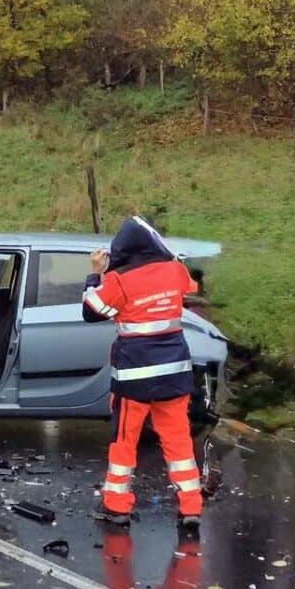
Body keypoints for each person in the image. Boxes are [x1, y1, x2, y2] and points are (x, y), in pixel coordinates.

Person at [82, 216, 204, 531]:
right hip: (175, 375)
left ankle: (116, 506)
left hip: (134, 379)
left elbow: (92, 312)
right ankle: (191, 508)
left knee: (124, 442)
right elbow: (191, 285)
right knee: (179, 443)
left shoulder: (119, 280)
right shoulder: (175, 271)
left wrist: (96, 274)